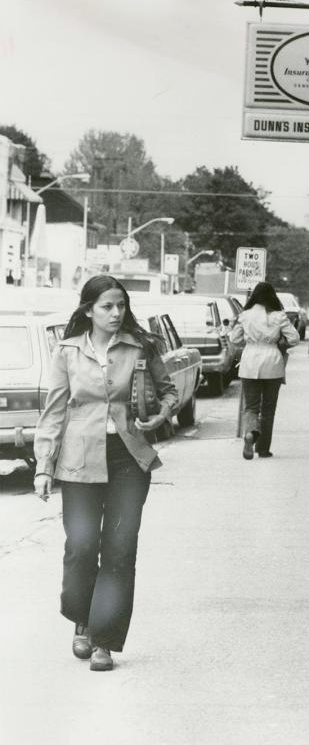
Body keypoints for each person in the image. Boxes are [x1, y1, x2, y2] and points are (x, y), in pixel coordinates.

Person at [33, 274, 178, 672]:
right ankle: (81, 617)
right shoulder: (67, 352)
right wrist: (44, 467)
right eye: (107, 307)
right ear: (88, 310)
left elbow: (169, 391)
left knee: (119, 549)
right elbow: (54, 412)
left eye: (121, 306)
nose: (116, 313)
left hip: (129, 458)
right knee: (80, 546)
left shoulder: (142, 347)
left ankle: (104, 641)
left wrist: (161, 416)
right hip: (78, 460)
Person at [229, 281, 299, 460]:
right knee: (268, 409)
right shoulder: (279, 316)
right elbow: (294, 338)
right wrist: (280, 342)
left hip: (250, 361)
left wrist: (249, 340)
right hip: (272, 362)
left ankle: (250, 433)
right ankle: (263, 448)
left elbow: (234, 339)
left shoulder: (245, 315)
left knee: (251, 407)